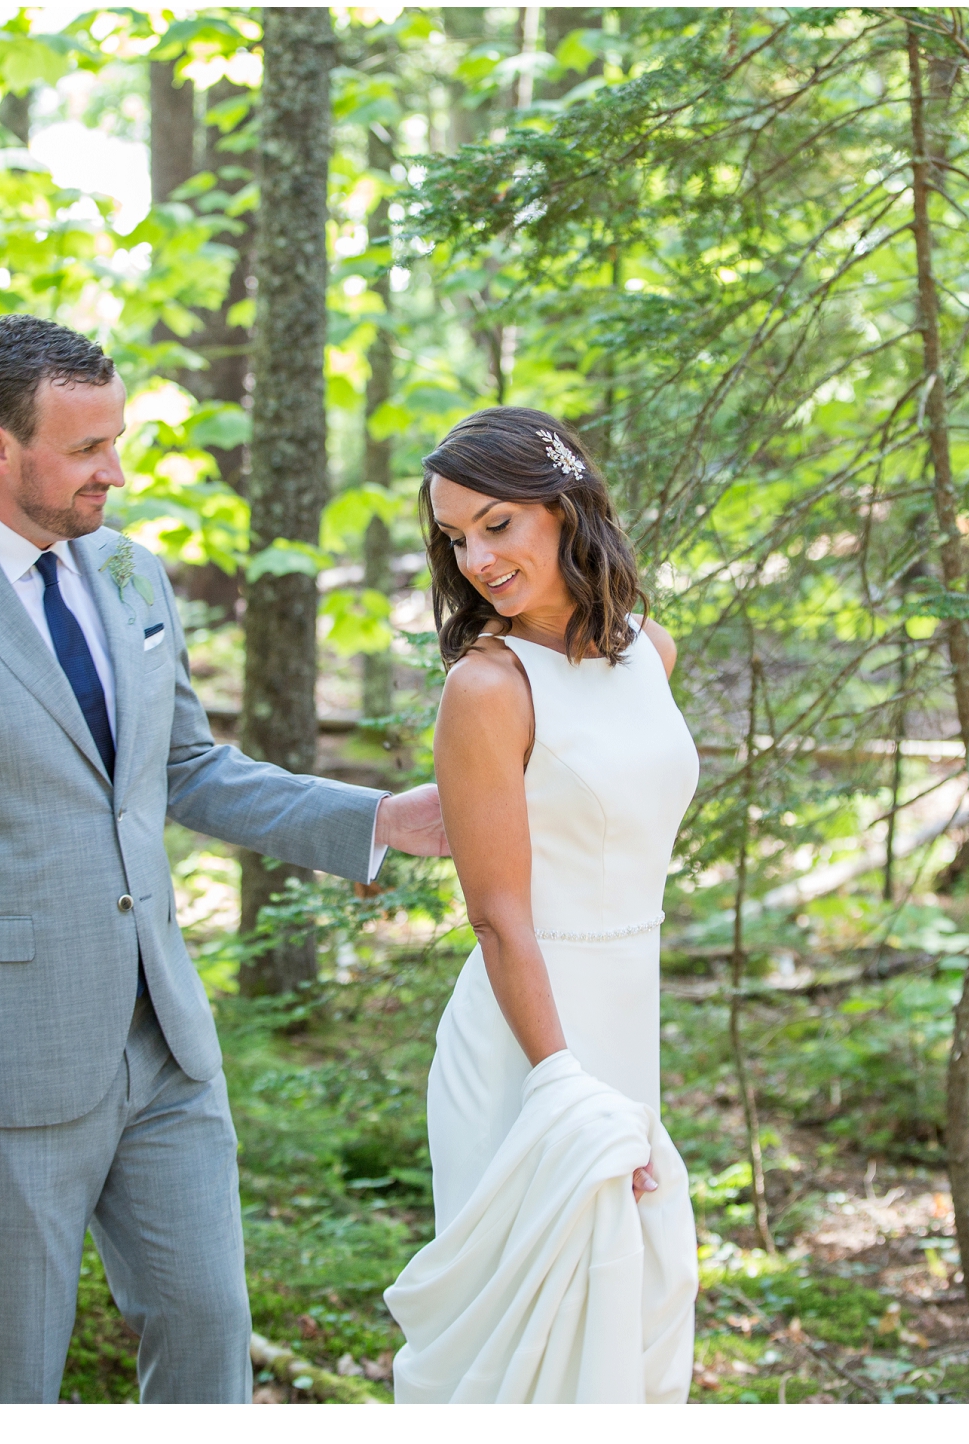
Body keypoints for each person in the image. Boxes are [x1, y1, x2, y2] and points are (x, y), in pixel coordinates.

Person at [0, 314, 447, 1404]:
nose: (115, 470)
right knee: (10, 1373)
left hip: (164, 1046)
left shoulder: (129, 575)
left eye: (118, 439)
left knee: (208, 1338)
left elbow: (188, 768)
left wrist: (377, 819)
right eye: (85, 450)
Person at [384, 408, 698, 1403]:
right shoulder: (489, 684)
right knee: (524, 1354)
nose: (477, 557)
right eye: (456, 537)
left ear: (564, 508)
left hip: (624, 1021)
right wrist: (562, 1082)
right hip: (529, 1044)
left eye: (496, 523)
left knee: (627, 1308)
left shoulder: (654, 651)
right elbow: (498, 914)